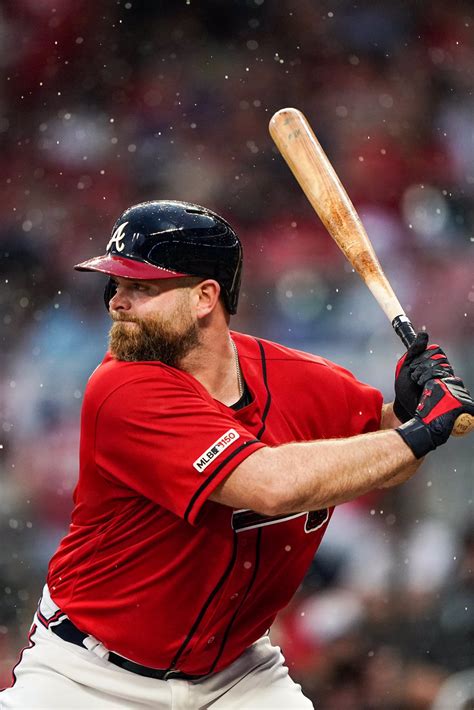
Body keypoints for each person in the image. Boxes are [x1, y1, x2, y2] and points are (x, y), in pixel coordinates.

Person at [2, 200, 472, 710]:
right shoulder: (122, 389)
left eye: (140, 287)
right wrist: (419, 431)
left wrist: (406, 411)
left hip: (235, 677)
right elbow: (270, 486)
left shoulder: (301, 379)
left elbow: (383, 462)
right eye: (117, 285)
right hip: (89, 675)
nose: (118, 301)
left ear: (205, 296)